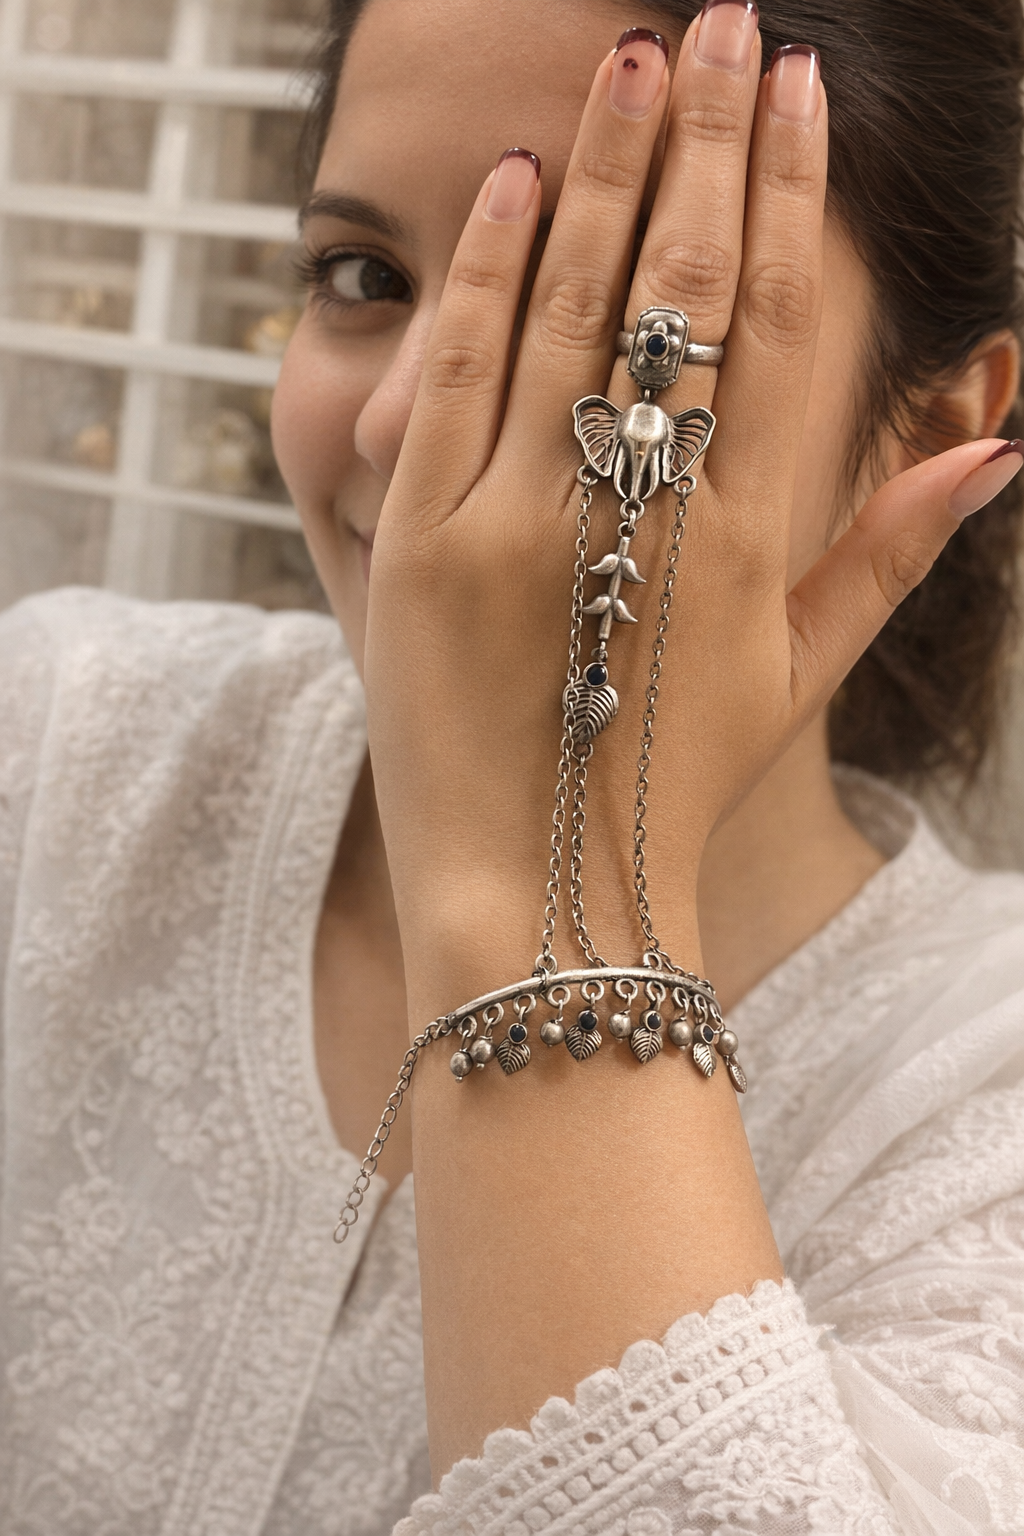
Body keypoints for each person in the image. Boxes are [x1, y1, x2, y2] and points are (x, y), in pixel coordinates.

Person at [1, 0, 1023, 1531]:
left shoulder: (981, 1102)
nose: (412, 424)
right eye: (365, 278)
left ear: (930, 441)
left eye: (607, 318)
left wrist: (546, 878)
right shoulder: (54, 742)